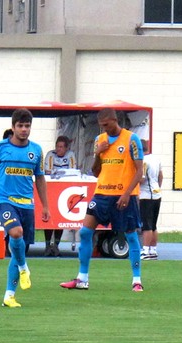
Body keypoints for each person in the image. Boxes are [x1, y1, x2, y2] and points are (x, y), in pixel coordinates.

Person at [59, 108, 145, 292]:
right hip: (101, 194)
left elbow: (139, 171)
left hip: (124, 195)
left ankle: (137, 280)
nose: (104, 129)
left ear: (115, 120)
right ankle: (82, 279)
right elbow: (96, 171)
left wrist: (127, 193)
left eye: (106, 125)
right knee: (84, 232)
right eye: (101, 126)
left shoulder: (131, 139)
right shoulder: (100, 140)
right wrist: (98, 153)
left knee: (130, 235)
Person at [0, 108, 50, 308]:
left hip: (27, 204)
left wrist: (45, 205)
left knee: (20, 248)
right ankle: (25, 267)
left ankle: (9, 296)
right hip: (4, 200)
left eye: (27, 126)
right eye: (20, 126)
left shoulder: (35, 150)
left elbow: (40, 178)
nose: (24, 130)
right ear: (13, 127)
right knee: (16, 233)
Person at [43, 135, 77, 257]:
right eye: (57, 146)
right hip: (51, 191)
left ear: (66, 148)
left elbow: (73, 172)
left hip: (64, 191)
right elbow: (47, 171)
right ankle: (47, 245)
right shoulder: (50, 155)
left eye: (61, 147)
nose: (58, 149)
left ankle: (56, 245)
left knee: (60, 220)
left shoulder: (70, 155)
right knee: (48, 219)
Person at [139, 139, 163, 260]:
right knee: (153, 225)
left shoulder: (143, 161)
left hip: (146, 195)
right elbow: (161, 176)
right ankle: (153, 250)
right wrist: (158, 187)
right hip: (157, 194)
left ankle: (145, 250)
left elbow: (141, 179)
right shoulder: (156, 159)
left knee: (146, 225)